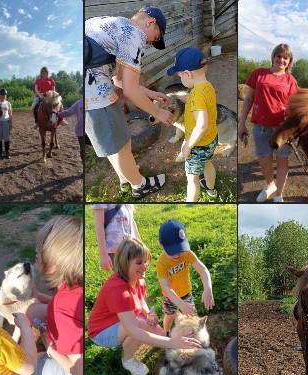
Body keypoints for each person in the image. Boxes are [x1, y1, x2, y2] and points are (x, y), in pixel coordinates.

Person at [85, 7, 175, 199]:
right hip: (94, 93)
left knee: (112, 143)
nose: (151, 42)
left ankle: (125, 176)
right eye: (156, 37)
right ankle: (140, 185)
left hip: (84, 91)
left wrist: (151, 93)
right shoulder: (134, 35)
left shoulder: (116, 23)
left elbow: (119, 81)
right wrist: (158, 113)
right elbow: (130, 91)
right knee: (123, 144)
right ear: (150, 22)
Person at [88, 237, 201, 375]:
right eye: (139, 262)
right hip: (101, 331)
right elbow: (134, 330)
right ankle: (128, 360)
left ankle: (174, 348)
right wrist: (172, 342)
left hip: (123, 319)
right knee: (140, 325)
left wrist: (148, 313)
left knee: (152, 327)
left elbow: (140, 301)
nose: (145, 266)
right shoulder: (117, 290)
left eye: (146, 261)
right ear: (124, 263)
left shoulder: (138, 279)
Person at [24, 215, 83, 375]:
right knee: (33, 311)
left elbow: (79, 369)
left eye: (42, 247)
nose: (36, 249)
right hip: (74, 337)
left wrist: (50, 348)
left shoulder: (61, 308)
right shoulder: (74, 280)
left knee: (34, 363)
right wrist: (41, 296)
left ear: (56, 262)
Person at [238, 43, 298, 203]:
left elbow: (293, 106)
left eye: (286, 57)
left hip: (281, 129)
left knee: (282, 159)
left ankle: (279, 194)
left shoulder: (290, 80)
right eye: (279, 56)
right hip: (261, 126)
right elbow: (248, 99)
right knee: (264, 158)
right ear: (273, 57)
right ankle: (269, 184)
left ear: (289, 61)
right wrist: (241, 123)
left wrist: (291, 125)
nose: (282, 60)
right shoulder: (259, 73)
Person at [167, 48, 218, 201]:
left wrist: (187, 145)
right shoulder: (207, 86)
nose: (180, 78)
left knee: (192, 180)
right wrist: (184, 97)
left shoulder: (196, 95)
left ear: (188, 74)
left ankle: (190, 203)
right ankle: (211, 190)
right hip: (211, 139)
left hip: (197, 146)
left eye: (180, 75)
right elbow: (201, 101)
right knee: (208, 164)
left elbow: (201, 125)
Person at [156, 220, 215, 335]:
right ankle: (166, 332)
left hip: (186, 293)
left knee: (191, 315)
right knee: (170, 315)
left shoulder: (187, 254)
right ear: (161, 245)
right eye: (173, 251)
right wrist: (180, 304)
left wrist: (208, 289)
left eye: (180, 249)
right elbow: (166, 287)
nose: (177, 255)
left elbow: (203, 270)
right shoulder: (161, 263)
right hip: (170, 297)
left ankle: (192, 335)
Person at [93, 204, 142, 271]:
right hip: (115, 250)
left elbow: (131, 221)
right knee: (123, 276)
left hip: (131, 246)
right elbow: (99, 224)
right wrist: (103, 255)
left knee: (135, 273)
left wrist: (140, 244)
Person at [56, 86, 84, 162]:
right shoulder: (78, 103)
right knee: (83, 150)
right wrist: (56, 114)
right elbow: (68, 112)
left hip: (94, 129)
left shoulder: (95, 102)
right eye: (83, 93)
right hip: (81, 131)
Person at [0, 88, 13, 159]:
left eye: (4, 95)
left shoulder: (8, 103)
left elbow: (10, 114)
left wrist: (11, 123)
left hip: (6, 121)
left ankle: (7, 151)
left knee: (6, 137)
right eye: (2, 95)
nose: (3, 96)